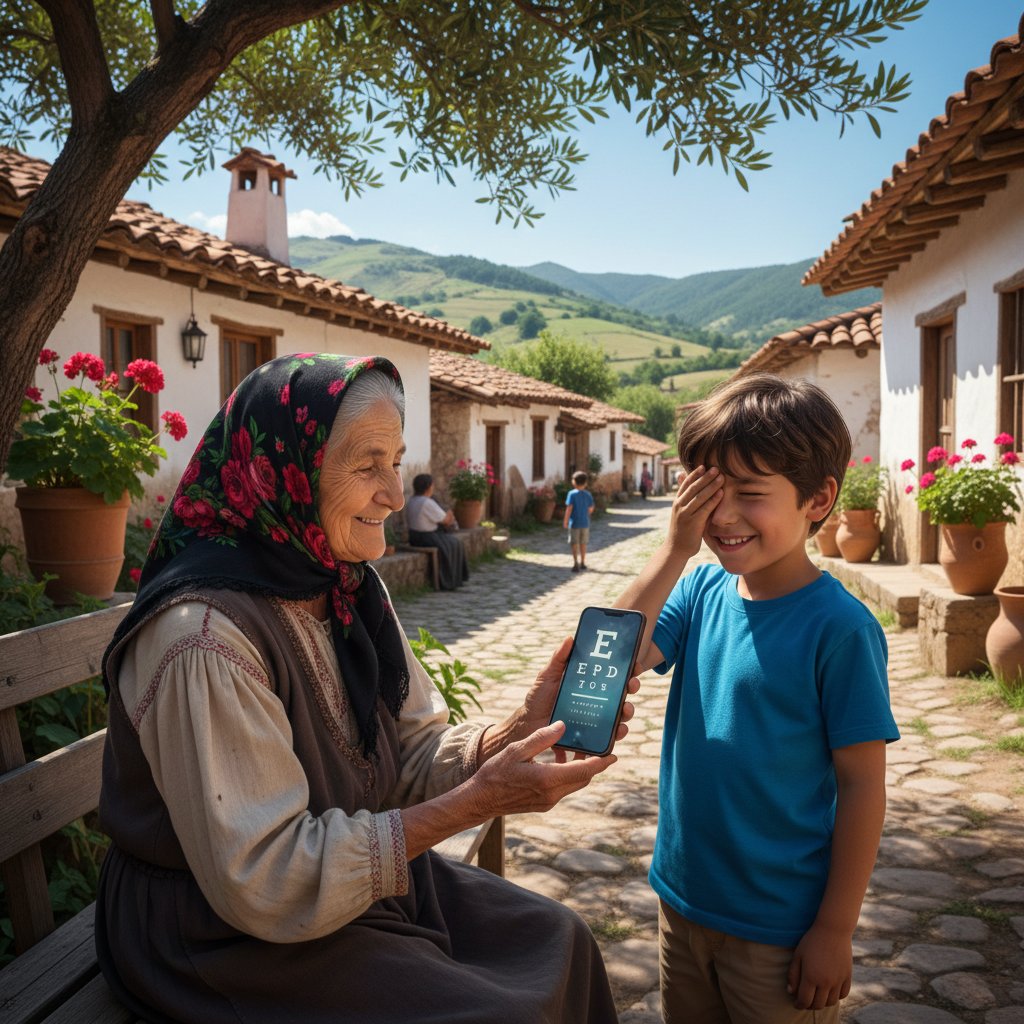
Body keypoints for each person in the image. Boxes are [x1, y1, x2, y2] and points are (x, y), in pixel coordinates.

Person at [95, 353, 636, 1024]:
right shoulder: (204, 638)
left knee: (563, 939)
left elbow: (406, 751)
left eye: (396, 461)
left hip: (340, 877)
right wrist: (475, 803)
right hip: (215, 932)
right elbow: (263, 876)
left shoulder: (343, 585)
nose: (393, 494)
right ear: (285, 470)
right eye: (366, 465)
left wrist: (514, 733)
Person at [615, 373, 899, 1023]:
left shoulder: (840, 630)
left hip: (780, 930)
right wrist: (674, 549)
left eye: (749, 493)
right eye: (708, 492)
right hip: (682, 903)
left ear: (818, 499)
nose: (723, 516)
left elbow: (862, 786)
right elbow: (610, 660)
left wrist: (834, 929)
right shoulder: (699, 592)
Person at [405, 472, 469, 590]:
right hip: (427, 537)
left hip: (414, 536)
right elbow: (446, 521)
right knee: (455, 543)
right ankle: (450, 580)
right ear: (428, 487)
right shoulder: (427, 502)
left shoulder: (412, 500)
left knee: (453, 542)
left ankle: (454, 579)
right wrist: (450, 513)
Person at [563, 469, 595, 572]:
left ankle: (575, 562)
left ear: (574, 482)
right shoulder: (588, 495)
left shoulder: (571, 494)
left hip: (574, 523)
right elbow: (591, 509)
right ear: (585, 483)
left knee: (574, 543)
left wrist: (565, 521)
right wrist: (585, 514)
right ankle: (583, 562)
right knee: (583, 543)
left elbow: (569, 509)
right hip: (585, 523)